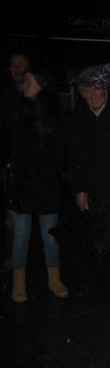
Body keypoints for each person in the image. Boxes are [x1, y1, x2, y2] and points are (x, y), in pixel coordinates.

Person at [4, 66, 69, 303]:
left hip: (45, 185)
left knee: (50, 235)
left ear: (42, 85)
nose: (24, 86)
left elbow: (61, 153)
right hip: (21, 186)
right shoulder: (19, 111)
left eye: (29, 81)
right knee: (20, 236)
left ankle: (54, 278)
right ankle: (18, 282)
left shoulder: (53, 115)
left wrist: (43, 173)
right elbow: (10, 146)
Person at [67, 82, 110, 296]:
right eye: (87, 90)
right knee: (92, 233)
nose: (93, 94)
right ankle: (93, 279)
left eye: (97, 88)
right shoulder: (78, 115)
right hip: (92, 186)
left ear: (105, 89)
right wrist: (79, 189)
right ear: (81, 94)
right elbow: (75, 155)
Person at [0, 52, 31, 272]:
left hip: (31, 168)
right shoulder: (6, 95)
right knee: (12, 217)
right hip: (9, 164)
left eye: (20, 64)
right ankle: (13, 257)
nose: (16, 68)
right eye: (13, 65)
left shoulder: (37, 98)